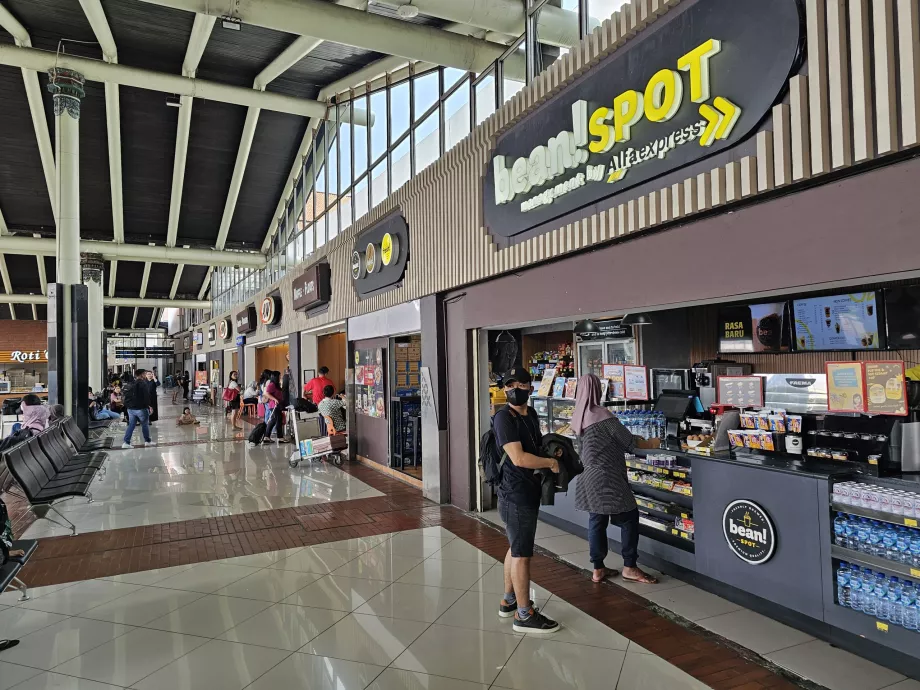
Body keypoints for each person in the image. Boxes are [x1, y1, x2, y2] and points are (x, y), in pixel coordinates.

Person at [492, 367, 561, 634]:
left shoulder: (530, 414)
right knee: (522, 554)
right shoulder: (503, 418)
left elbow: (534, 445)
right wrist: (551, 462)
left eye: (521, 384)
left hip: (527, 489)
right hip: (515, 492)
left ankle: (509, 601)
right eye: (510, 385)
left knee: (515, 545)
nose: (515, 389)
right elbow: (519, 458)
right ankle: (524, 615)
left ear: (530, 388)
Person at [572, 373, 658, 585]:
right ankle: (630, 566)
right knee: (629, 516)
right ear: (597, 390)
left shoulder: (578, 416)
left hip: (587, 476)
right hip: (607, 477)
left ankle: (598, 568)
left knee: (597, 521)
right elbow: (629, 442)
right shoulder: (602, 416)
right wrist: (653, 441)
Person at [122, 370, 153, 449]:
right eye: (145, 373)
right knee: (145, 425)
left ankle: (126, 442)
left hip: (131, 409)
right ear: (142, 374)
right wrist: (149, 406)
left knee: (131, 425)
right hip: (141, 409)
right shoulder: (143, 383)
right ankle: (147, 441)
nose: (145, 375)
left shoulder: (132, 383)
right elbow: (146, 396)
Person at [263, 371, 286, 443]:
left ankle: (268, 437)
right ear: (276, 377)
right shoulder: (272, 384)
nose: (280, 377)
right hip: (274, 405)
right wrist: (275, 399)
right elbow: (266, 393)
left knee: (275, 420)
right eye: (279, 376)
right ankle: (279, 437)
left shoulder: (276, 385)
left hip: (277, 405)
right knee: (276, 420)